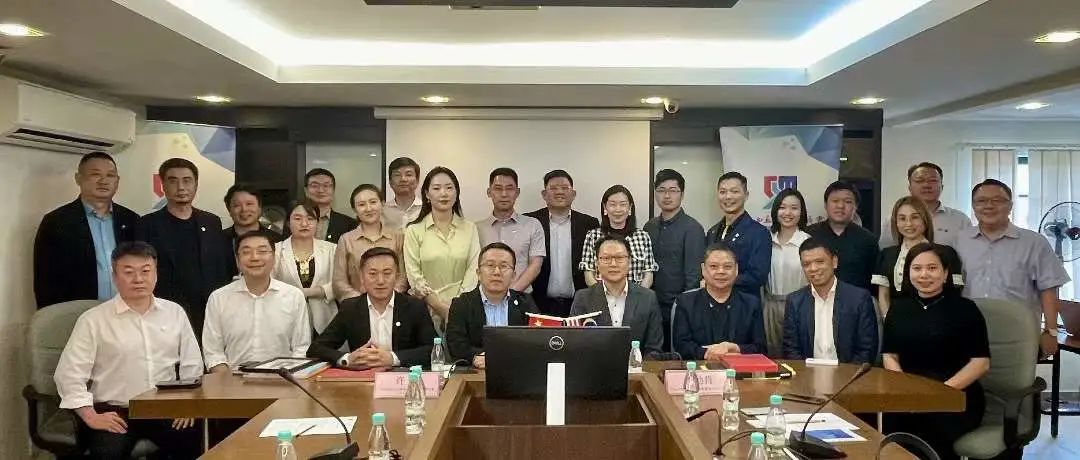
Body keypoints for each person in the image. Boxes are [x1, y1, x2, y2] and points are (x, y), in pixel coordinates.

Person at [54, 241, 202, 460]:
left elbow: (192, 364)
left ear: (156, 274)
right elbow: (69, 374)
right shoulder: (93, 320)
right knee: (107, 453)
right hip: (116, 410)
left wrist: (187, 403)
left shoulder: (174, 312)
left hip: (164, 406)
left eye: (145, 271)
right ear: (114, 277)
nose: (138, 279)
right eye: (129, 272)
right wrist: (90, 415)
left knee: (197, 442)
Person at [883, 243, 990, 460]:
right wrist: (904, 388)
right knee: (888, 433)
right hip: (908, 392)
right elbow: (890, 355)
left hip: (954, 393)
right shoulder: (898, 308)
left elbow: (980, 363)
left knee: (931, 433)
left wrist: (938, 393)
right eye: (917, 268)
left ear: (946, 273)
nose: (924, 275)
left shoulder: (965, 309)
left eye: (932, 268)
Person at [956, 179, 1070, 357]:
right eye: (981, 201)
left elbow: (1049, 289)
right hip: (968, 331)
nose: (989, 206)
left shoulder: (1034, 243)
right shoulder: (959, 240)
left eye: (997, 200)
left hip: (1018, 334)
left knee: (1017, 376)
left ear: (1010, 206)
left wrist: (1051, 331)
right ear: (973, 206)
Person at [136, 158, 232, 338]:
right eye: (173, 181)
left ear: (196, 184)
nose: (181, 187)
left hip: (208, 313)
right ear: (163, 185)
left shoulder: (211, 222)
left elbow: (220, 267)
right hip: (166, 313)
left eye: (187, 181)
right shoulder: (147, 224)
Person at [34, 151, 139, 308]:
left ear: (117, 181)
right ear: (78, 178)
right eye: (95, 174)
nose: (103, 181)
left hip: (126, 310)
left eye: (110, 175)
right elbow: (45, 281)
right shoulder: (56, 222)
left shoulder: (132, 220)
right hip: (78, 312)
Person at [307, 247, 435, 368]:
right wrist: (347, 359)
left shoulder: (414, 307)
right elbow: (316, 348)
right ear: (362, 277)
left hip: (404, 377)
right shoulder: (351, 308)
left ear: (396, 276)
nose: (380, 281)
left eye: (387, 273)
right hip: (363, 378)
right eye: (373, 274)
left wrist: (393, 358)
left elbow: (433, 349)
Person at [203, 230, 311, 373]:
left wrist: (287, 377)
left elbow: (301, 349)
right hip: (233, 379)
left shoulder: (294, 296)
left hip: (282, 379)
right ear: (237, 260)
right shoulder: (219, 298)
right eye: (246, 252)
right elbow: (213, 353)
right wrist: (227, 380)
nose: (254, 257)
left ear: (274, 257)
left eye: (262, 251)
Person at [403, 166, 481, 333]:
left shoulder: (470, 228)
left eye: (449, 188)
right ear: (426, 194)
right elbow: (414, 275)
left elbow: (473, 270)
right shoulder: (414, 230)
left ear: (457, 193)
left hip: (464, 309)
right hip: (425, 309)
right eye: (437, 188)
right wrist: (440, 307)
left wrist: (456, 308)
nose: (443, 193)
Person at [782, 238, 879, 364]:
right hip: (807, 373)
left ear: (834, 262)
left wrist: (845, 374)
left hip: (850, 373)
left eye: (820, 261)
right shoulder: (795, 301)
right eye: (806, 264)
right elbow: (791, 350)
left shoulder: (858, 298)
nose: (813, 268)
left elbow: (867, 349)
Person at [445, 242, 540, 368]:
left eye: (504, 266)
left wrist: (499, 358)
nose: (497, 272)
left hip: (516, 370)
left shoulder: (525, 303)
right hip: (476, 373)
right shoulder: (462, 304)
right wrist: (475, 357)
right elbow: (455, 343)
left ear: (513, 276)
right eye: (490, 265)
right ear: (478, 273)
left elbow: (537, 341)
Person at [644, 169, 706, 352]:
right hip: (651, 305)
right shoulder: (649, 227)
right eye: (661, 190)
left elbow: (693, 276)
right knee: (652, 355)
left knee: (676, 357)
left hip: (678, 307)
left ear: (682, 194)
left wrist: (685, 308)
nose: (667, 196)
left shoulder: (693, 228)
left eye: (673, 190)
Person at [570, 235, 664, 355]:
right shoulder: (583, 298)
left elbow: (654, 349)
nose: (613, 264)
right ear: (597, 263)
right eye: (606, 258)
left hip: (637, 366)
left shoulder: (648, 298)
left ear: (629, 262)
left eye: (619, 257)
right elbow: (574, 345)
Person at [671, 243, 766, 360]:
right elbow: (681, 346)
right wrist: (708, 353)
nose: (721, 271)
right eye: (713, 266)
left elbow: (760, 348)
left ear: (736, 270)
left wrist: (734, 348)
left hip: (739, 367)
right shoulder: (685, 302)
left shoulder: (751, 304)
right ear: (703, 269)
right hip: (698, 367)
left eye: (727, 267)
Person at [525, 170, 600, 317]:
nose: (559, 192)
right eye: (553, 188)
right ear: (544, 194)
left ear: (573, 194)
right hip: (538, 304)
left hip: (579, 304)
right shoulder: (530, 221)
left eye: (565, 188)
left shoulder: (589, 224)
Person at [873, 196, 963, 316]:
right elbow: (883, 295)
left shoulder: (946, 253)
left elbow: (954, 294)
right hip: (896, 320)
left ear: (925, 219)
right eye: (902, 218)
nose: (908, 224)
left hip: (937, 318)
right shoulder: (886, 255)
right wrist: (888, 320)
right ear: (896, 223)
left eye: (915, 217)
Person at [477, 167, 546, 295]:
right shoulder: (476, 228)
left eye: (509, 188)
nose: (504, 194)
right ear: (489, 192)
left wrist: (510, 293)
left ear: (517, 192)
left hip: (521, 297)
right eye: (498, 188)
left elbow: (535, 266)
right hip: (484, 298)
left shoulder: (532, 225)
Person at [273, 201, 338, 334]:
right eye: (297, 219)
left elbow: (340, 283)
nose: (304, 224)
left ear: (317, 222)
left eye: (310, 218)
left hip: (325, 320)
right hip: (286, 317)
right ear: (288, 222)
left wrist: (310, 292)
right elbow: (269, 283)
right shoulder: (275, 250)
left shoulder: (332, 249)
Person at [333, 184, 406, 301]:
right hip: (357, 305)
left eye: (373, 202)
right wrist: (362, 302)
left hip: (393, 305)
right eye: (361, 204)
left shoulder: (398, 237)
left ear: (382, 204)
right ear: (354, 209)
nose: (368, 208)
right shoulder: (346, 240)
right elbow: (339, 282)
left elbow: (403, 277)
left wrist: (389, 299)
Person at [705, 172, 771, 299]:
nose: (728, 196)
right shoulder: (712, 232)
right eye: (723, 192)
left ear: (746, 195)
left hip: (744, 304)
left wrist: (720, 281)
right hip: (712, 303)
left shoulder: (759, 233)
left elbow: (758, 276)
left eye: (734, 191)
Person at [580, 185, 658, 288]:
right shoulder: (593, 236)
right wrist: (603, 295)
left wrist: (638, 295)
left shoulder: (643, 236)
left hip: (636, 296)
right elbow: (588, 274)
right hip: (601, 297)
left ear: (630, 208)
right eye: (612, 204)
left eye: (623, 204)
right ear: (605, 208)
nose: (618, 209)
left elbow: (648, 274)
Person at [763, 188, 811, 357]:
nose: (788, 213)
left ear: (802, 212)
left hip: (800, 307)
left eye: (794, 208)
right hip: (770, 307)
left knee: (797, 354)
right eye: (782, 207)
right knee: (772, 355)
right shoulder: (766, 240)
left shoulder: (808, 242)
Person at [806, 181, 878, 291]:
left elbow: (875, 280)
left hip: (856, 299)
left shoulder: (868, 240)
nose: (840, 206)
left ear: (855, 207)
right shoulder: (809, 235)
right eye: (835, 201)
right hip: (815, 298)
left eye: (848, 202)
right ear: (825, 205)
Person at [880, 162, 972, 248]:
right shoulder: (895, 219)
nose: (926, 185)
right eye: (919, 181)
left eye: (933, 180)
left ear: (942, 187)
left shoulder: (960, 220)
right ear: (910, 188)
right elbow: (886, 252)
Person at [222, 183, 281, 277]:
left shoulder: (277, 240)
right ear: (229, 209)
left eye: (249, 204)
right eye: (237, 205)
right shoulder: (217, 240)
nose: (244, 209)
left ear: (260, 208)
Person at [300, 168, 357, 243]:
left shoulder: (349, 224)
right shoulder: (295, 220)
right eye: (314, 186)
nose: (321, 190)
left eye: (326, 185)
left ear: (333, 190)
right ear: (306, 190)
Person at [383, 157, 423, 231]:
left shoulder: (427, 210)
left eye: (408, 175)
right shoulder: (382, 211)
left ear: (417, 180)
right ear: (390, 182)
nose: (403, 179)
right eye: (397, 175)